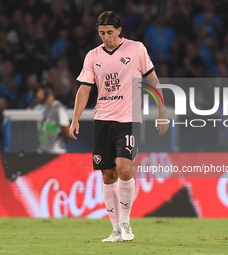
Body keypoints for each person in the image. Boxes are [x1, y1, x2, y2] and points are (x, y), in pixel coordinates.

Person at [69, 11, 169, 243]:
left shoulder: (136, 49)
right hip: (103, 120)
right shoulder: (93, 56)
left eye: (110, 33)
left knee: (125, 169)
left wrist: (162, 110)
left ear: (119, 31)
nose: (106, 38)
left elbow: (152, 79)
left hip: (128, 120)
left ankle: (126, 221)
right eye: (102, 33)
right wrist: (75, 118)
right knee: (107, 175)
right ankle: (115, 229)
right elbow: (84, 89)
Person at [36, 82, 70, 154]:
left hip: (56, 152)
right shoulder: (44, 109)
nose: (37, 95)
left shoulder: (59, 109)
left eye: (40, 92)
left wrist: (60, 146)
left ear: (48, 92)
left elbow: (67, 133)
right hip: (44, 152)